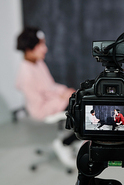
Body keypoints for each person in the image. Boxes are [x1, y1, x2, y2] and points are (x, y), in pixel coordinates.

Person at [16, 26, 78, 168]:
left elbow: (50, 86)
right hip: (42, 109)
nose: (45, 49)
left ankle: (70, 142)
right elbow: (39, 107)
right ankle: (64, 143)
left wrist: (65, 91)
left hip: (52, 101)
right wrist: (64, 98)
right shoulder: (26, 75)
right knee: (85, 112)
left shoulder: (38, 63)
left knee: (79, 100)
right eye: (41, 45)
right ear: (29, 48)